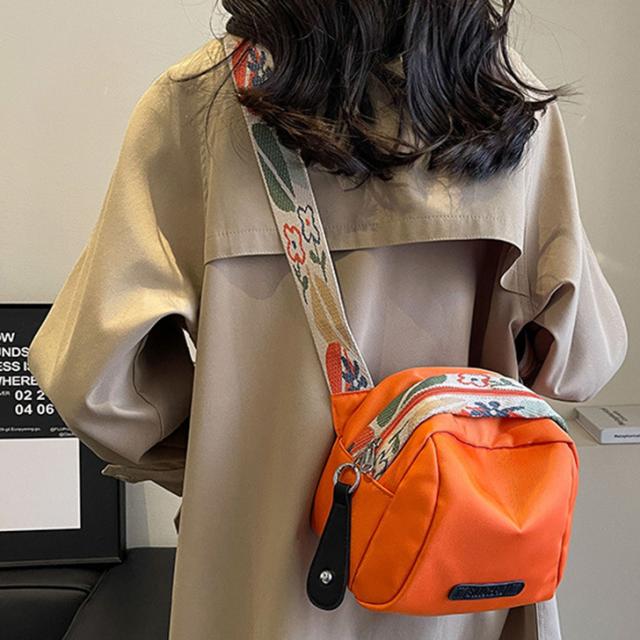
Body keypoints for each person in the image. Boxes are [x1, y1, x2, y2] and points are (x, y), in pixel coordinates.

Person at [27, 2, 628, 639]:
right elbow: (580, 358)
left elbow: (92, 383)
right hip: (464, 581)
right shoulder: (501, 101)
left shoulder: (201, 101)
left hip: (265, 586)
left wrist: (228, 462)